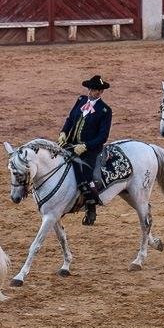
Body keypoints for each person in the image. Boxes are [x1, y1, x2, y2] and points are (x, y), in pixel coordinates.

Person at [58, 75, 112, 226]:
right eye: (92, 89)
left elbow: (103, 136)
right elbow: (70, 119)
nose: (93, 92)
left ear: (101, 92)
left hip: (90, 150)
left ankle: (91, 206)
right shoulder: (81, 100)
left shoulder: (105, 110)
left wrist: (86, 146)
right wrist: (63, 133)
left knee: (85, 176)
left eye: (97, 90)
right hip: (71, 144)